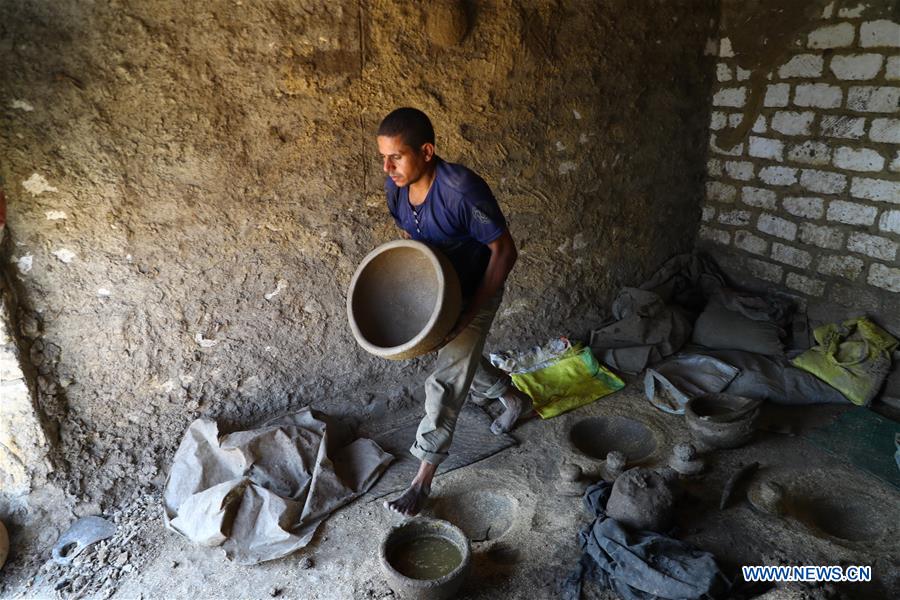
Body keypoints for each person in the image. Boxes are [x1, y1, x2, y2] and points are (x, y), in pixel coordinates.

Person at [376, 107, 532, 517]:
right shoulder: (397, 187)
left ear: (426, 151)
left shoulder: (462, 190)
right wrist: (424, 294)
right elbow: (413, 237)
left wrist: (469, 314)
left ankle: (422, 479)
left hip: (479, 287)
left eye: (397, 156)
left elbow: (505, 251)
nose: (388, 167)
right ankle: (512, 398)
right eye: (383, 157)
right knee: (462, 358)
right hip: (444, 291)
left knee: (445, 380)